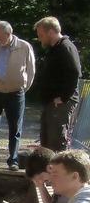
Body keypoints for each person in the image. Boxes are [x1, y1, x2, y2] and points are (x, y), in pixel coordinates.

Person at [0, 21, 35, 170]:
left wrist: (21, 87)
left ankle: (13, 161)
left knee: (15, 128)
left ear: (8, 34)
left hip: (15, 93)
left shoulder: (24, 47)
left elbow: (31, 71)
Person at [34, 17, 82, 152]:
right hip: (51, 101)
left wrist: (63, 98)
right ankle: (49, 170)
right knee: (46, 140)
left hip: (60, 102)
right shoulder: (54, 49)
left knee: (56, 140)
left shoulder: (65, 47)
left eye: (41, 35)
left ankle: (60, 171)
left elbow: (74, 73)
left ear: (50, 32)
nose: (39, 39)